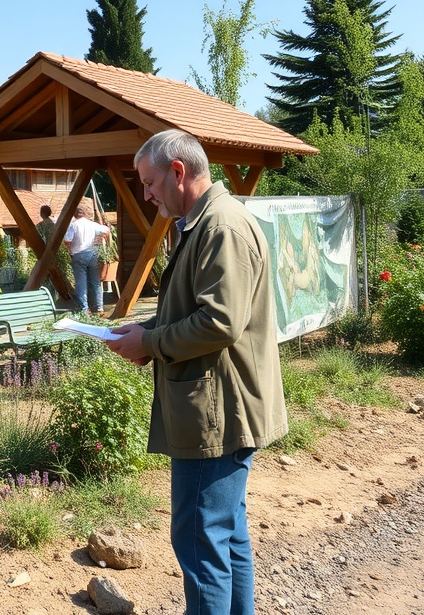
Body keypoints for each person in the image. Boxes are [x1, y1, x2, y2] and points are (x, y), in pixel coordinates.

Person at [107, 129, 287, 615]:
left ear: (178, 172)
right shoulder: (206, 223)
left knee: (199, 539)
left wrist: (150, 342)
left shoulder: (220, 227)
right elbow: (201, 309)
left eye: (148, 182)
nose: (145, 194)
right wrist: (148, 327)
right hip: (218, 407)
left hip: (217, 415)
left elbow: (220, 323)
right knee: (226, 537)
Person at [63, 204, 110, 314]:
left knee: (81, 283)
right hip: (92, 253)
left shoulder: (73, 225)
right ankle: (99, 307)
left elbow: (67, 239)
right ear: (84, 214)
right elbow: (106, 230)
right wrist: (99, 238)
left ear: (75, 214)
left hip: (78, 255)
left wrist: (69, 248)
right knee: (95, 282)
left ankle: (85, 309)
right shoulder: (92, 224)